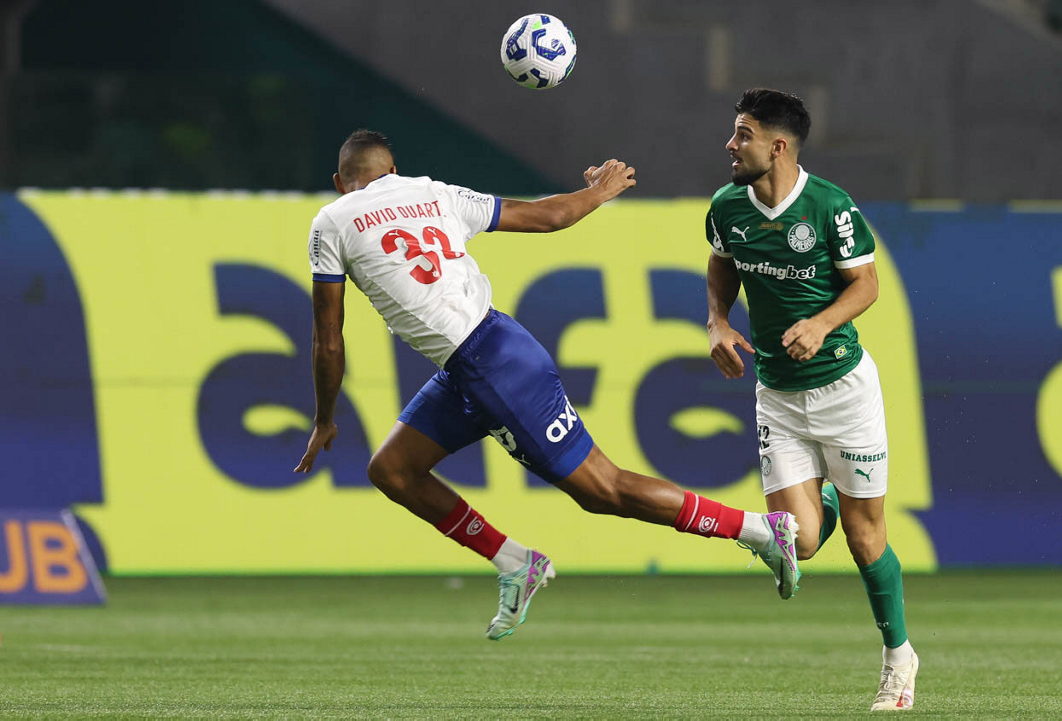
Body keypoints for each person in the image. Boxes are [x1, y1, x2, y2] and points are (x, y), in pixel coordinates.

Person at [294, 129, 799, 640]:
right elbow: (544, 216)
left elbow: (328, 341)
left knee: (603, 489)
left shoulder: (331, 222)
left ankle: (760, 530)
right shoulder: (431, 192)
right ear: (393, 171)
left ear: (339, 182)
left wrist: (324, 419)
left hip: (491, 368)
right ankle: (517, 563)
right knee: (393, 470)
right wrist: (597, 193)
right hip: (485, 352)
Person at [703, 89, 917, 712]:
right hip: (777, 394)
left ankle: (899, 659)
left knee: (865, 537)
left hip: (844, 392)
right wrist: (718, 321)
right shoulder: (726, 207)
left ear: (778, 146)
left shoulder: (829, 205)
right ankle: (824, 499)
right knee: (795, 544)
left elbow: (866, 285)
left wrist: (822, 324)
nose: (730, 145)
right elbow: (722, 264)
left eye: (742, 134)